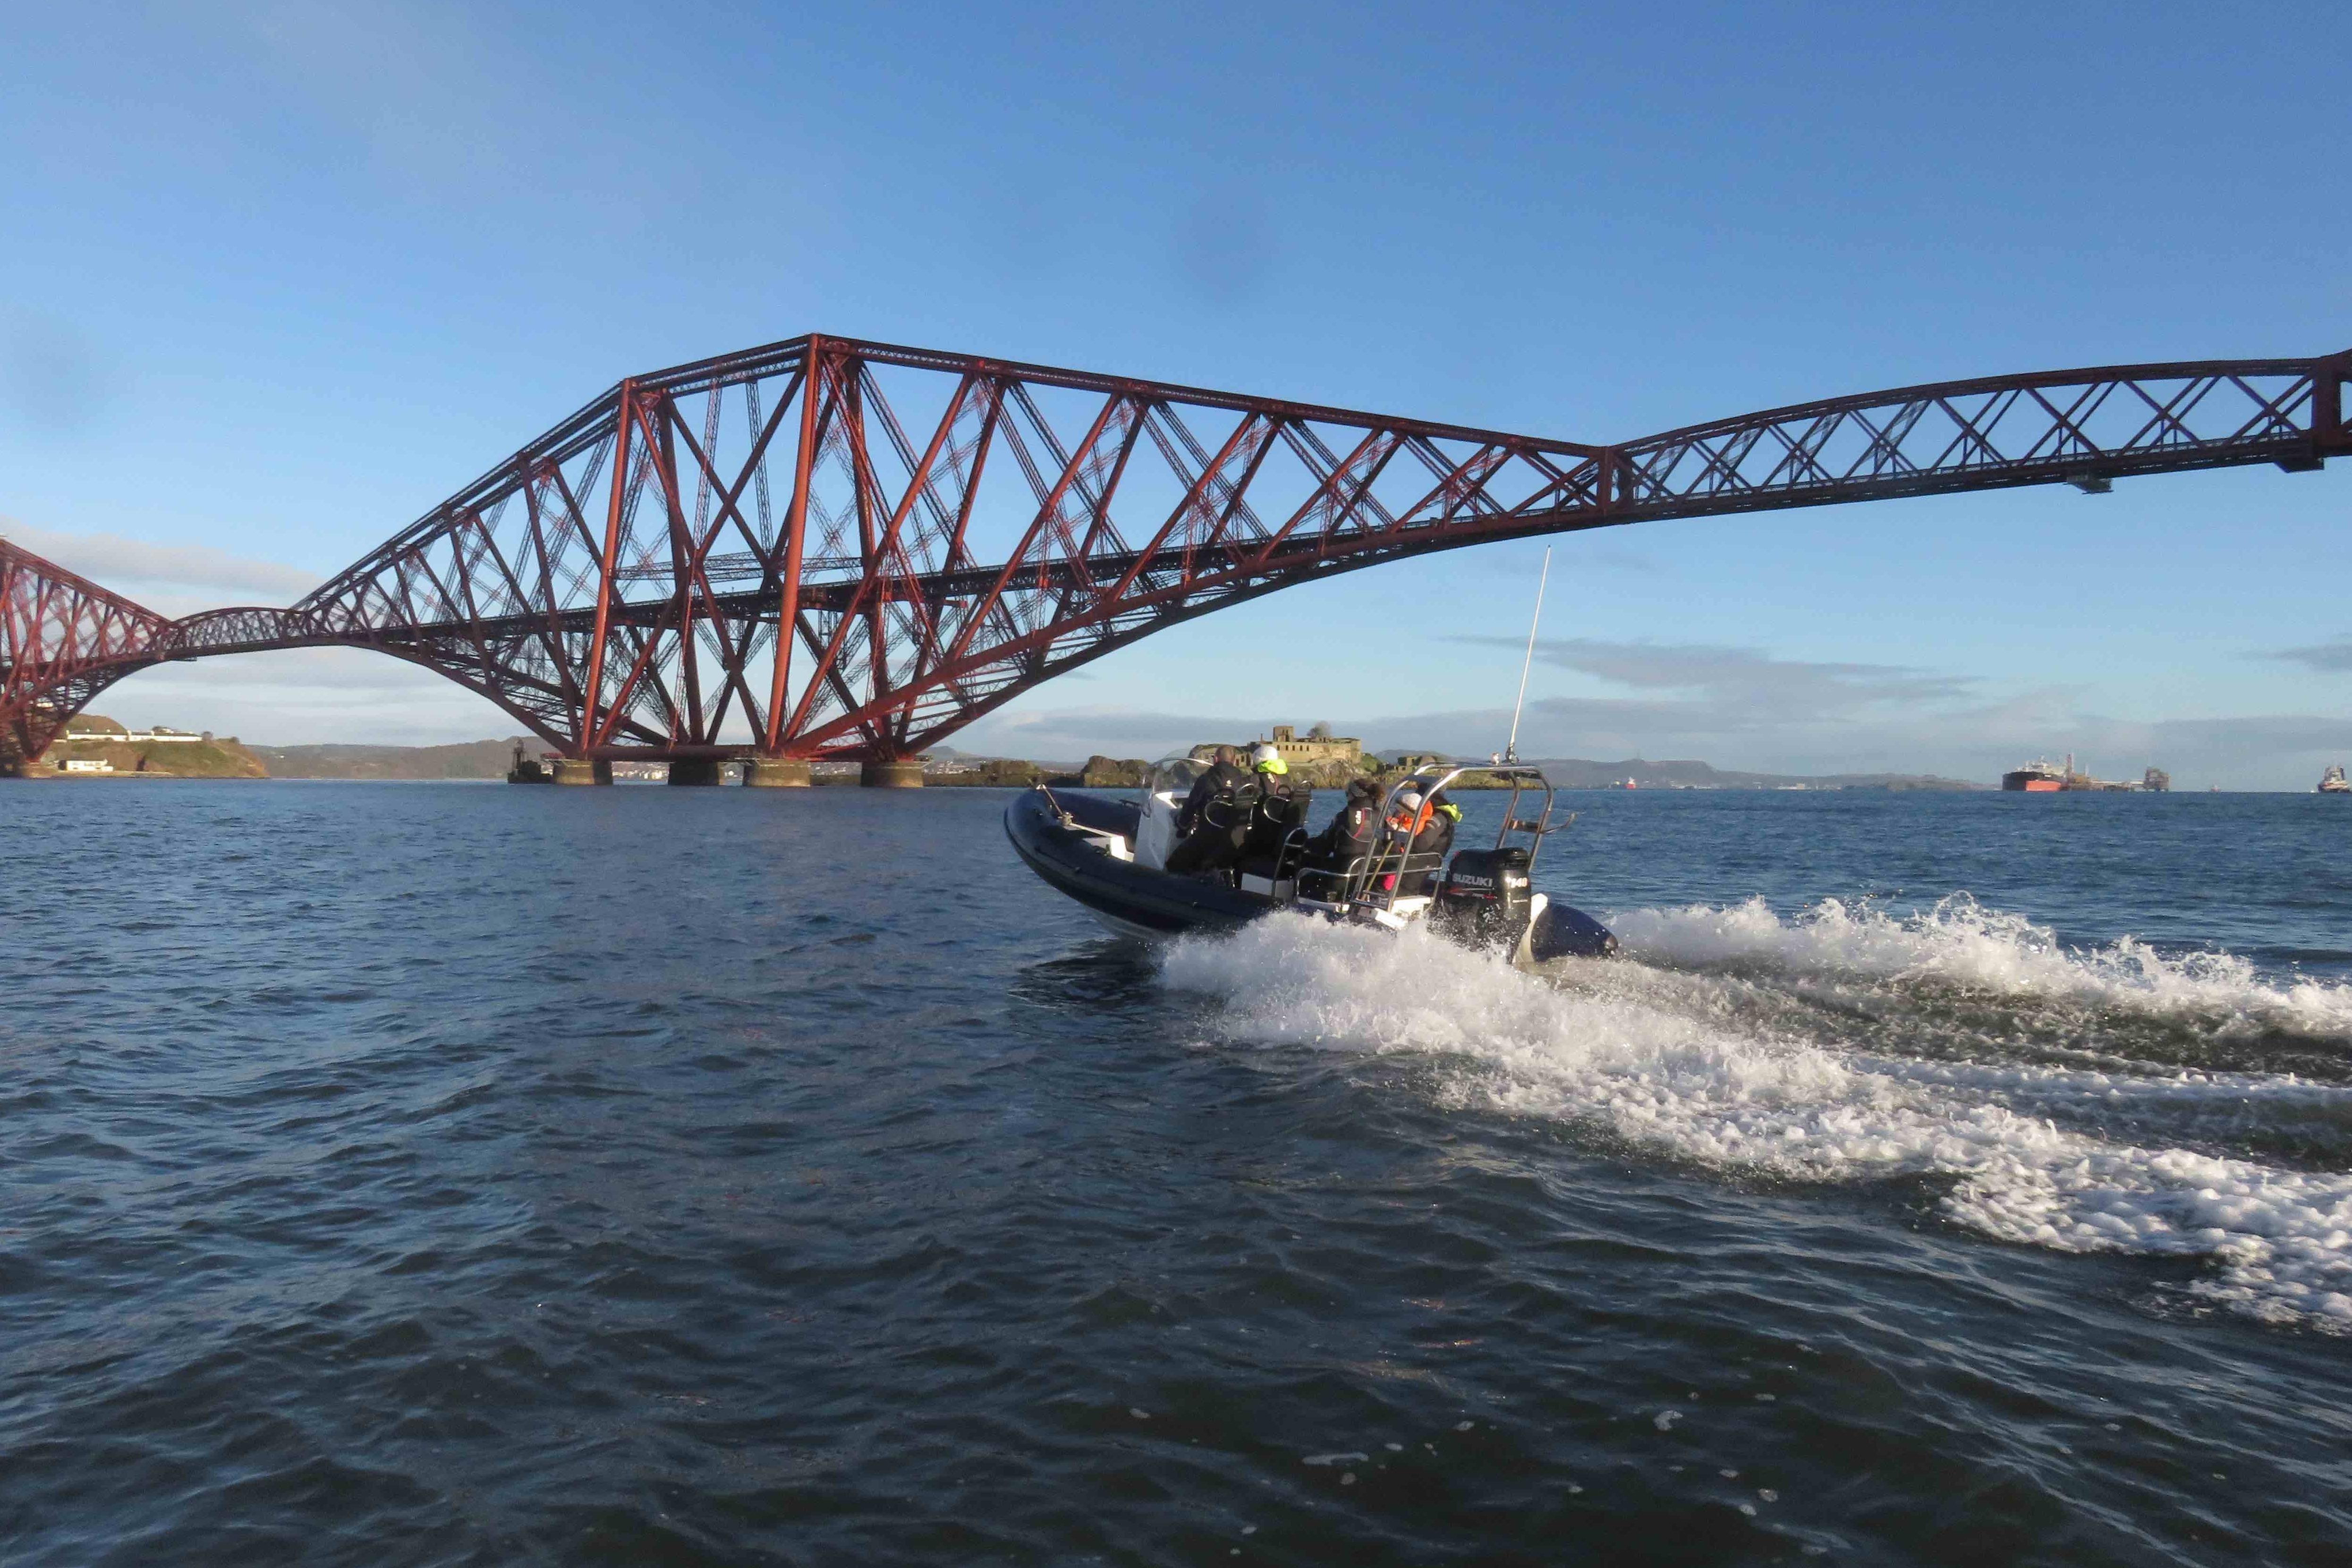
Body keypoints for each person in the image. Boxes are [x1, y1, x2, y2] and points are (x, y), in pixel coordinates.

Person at [1166, 746, 1257, 878]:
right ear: (1234, 761)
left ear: (1216, 759)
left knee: (1173, 865)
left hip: (1208, 839)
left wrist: (1182, 826)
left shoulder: (1205, 780)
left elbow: (1189, 809)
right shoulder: (1244, 782)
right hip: (1235, 841)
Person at [1240, 742, 1309, 865]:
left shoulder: (1256, 779)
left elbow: (1241, 795)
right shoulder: (1287, 779)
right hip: (1285, 836)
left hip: (1262, 836)